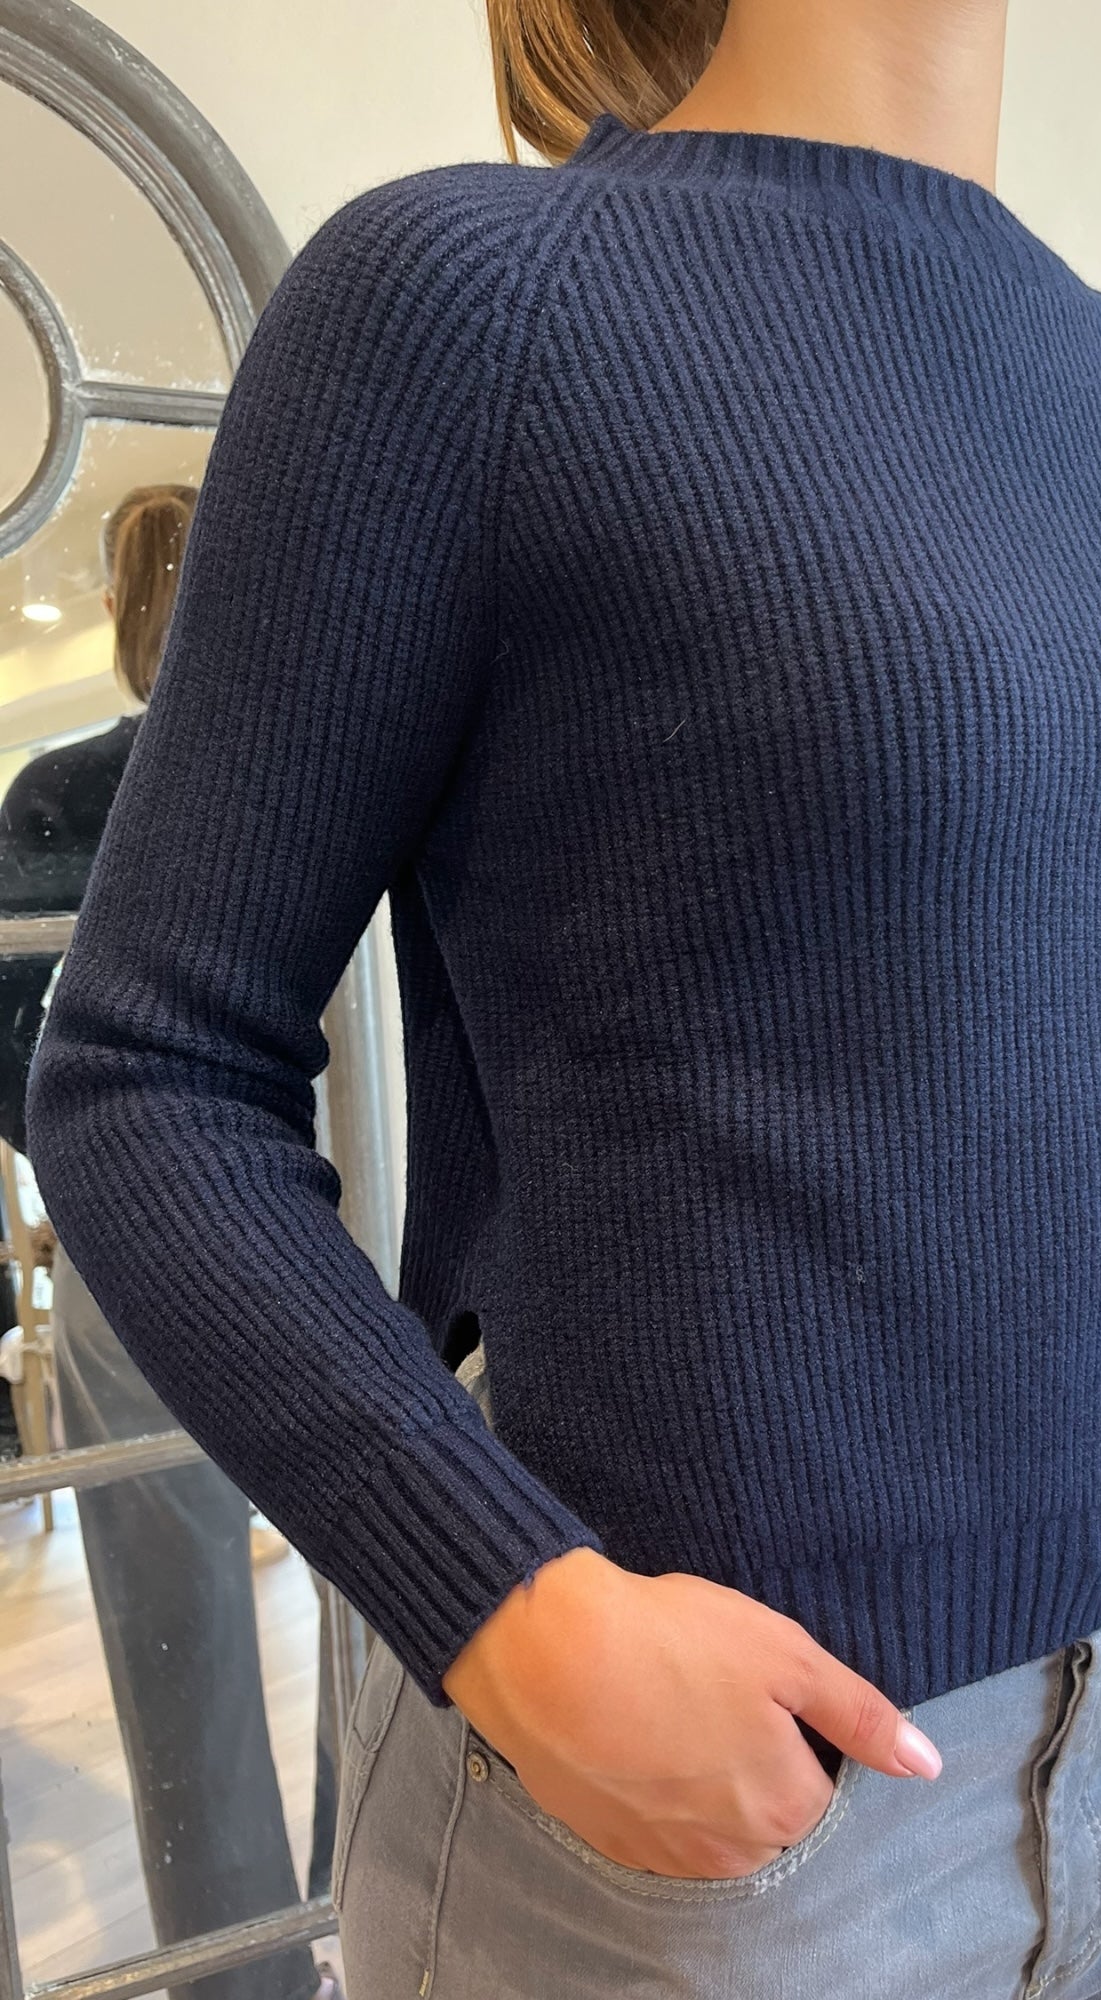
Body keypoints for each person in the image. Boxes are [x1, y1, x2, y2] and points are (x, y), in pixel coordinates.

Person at [22, 2, 1101, 1994]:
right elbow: (149, 1071)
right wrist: (512, 1614)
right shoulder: (469, 303)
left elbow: (990, 991)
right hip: (711, 1838)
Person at [0, 486, 340, 2000]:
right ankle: (373, 1908)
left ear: (121, 605)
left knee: (173, 1626)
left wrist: (106, 1156)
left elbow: (15, 1062)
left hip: (135, 1229)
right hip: (341, 1200)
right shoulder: (334, 766)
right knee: (406, 1584)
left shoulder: (68, 791)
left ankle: (238, 1973)